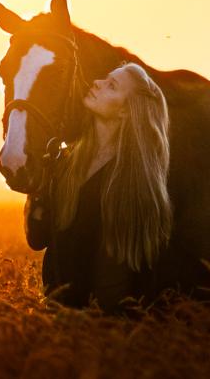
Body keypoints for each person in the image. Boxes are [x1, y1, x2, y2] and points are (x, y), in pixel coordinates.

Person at [24, 61, 172, 313]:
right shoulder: (65, 163)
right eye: (105, 78)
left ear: (125, 111)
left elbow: (117, 279)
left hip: (106, 328)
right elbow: (37, 239)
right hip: (56, 317)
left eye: (111, 86)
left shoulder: (133, 182)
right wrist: (37, 187)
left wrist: (94, 331)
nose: (97, 83)